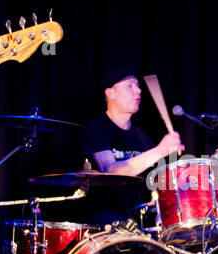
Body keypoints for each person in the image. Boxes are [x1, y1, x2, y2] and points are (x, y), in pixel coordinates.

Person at [79, 68, 184, 226]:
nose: (138, 90)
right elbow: (111, 171)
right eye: (130, 86)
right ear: (110, 93)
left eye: (138, 85)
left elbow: (154, 181)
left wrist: (156, 197)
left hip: (137, 218)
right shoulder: (97, 129)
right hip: (105, 219)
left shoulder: (140, 134)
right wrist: (160, 150)